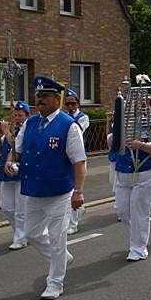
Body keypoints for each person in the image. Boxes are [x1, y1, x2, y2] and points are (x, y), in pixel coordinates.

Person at [5, 76, 87, 300]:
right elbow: (17, 150)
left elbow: (79, 161)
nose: (39, 100)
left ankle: (55, 282)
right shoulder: (30, 123)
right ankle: (61, 257)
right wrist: (11, 162)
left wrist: (78, 191)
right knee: (31, 234)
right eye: (38, 96)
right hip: (33, 189)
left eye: (44, 96)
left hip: (60, 192)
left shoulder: (69, 126)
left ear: (56, 98)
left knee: (57, 237)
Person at [114, 83, 151, 262]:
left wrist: (141, 145)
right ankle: (136, 239)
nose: (139, 108)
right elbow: (113, 142)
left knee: (139, 210)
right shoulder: (122, 122)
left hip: (146, 171)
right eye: (135, 105)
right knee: (122, 210)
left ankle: (138, 247)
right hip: (124, 172)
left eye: (144, 104)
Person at [0, 101, 30, 250]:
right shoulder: (13, 129)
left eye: (20, 115)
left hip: (21, 172)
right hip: (6, 173)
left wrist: (7, 131)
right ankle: (22, 232)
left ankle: (21, 238)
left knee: (20, 209)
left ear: (27, 115)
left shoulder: (29, 129)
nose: (17, 118)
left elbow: (15, 146)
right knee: (6, 207)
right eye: (15, 115)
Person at [64, 89, 90, 235]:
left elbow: (76, 130)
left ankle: (73, 224)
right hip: (65, 158)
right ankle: (79, 209)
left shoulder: (83, 117)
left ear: (78, 104)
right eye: (67, 104)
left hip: (79, 157)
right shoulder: (64, 117)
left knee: (76, 188)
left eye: (73, 103)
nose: (70, 107)